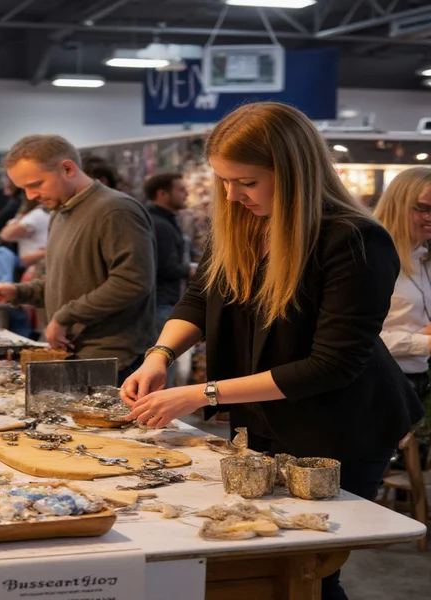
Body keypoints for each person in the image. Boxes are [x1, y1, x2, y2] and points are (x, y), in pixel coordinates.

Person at [119, 102, 423, 600]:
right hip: (265, 417)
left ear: (294, 171)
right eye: (223, 181)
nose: (232, 195)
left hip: (341, 426)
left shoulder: (355, 240)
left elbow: (332, 364)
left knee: (310, 569)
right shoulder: (241, 225)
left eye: (247, 182)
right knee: (263, 563)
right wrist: (158, 356)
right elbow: (200, 298)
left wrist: (201, 393)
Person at [0, 134, 157, 382]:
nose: (30, 196)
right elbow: (68, 282)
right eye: (24, 189)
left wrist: (65, 316)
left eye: (36, 184)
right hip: (75, 354)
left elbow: (132, 282)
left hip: (111, 360)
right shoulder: (59, 213)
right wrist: (17, 292)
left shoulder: (116, 210)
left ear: (67, 168)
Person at [375, 167, 431, 466]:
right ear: (399, 203)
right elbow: (362, 339)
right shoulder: (376, 259)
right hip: (385, 385)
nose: (429, 216)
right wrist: (421, 343)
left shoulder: (424, 257)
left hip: (418, 381)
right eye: (423, 208)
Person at [144, 173, 194, 331]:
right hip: (162, 303)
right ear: (162, 194)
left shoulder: (164, 220)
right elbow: (165, 266)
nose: (186, 194)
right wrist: (190, 270)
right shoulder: (159, 225)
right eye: (181, 190)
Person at [0, 198, 49, 269]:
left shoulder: (36, 215)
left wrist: (17, 218)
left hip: (38, 266)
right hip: (40, 264)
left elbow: (6, 235)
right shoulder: (45, 214)